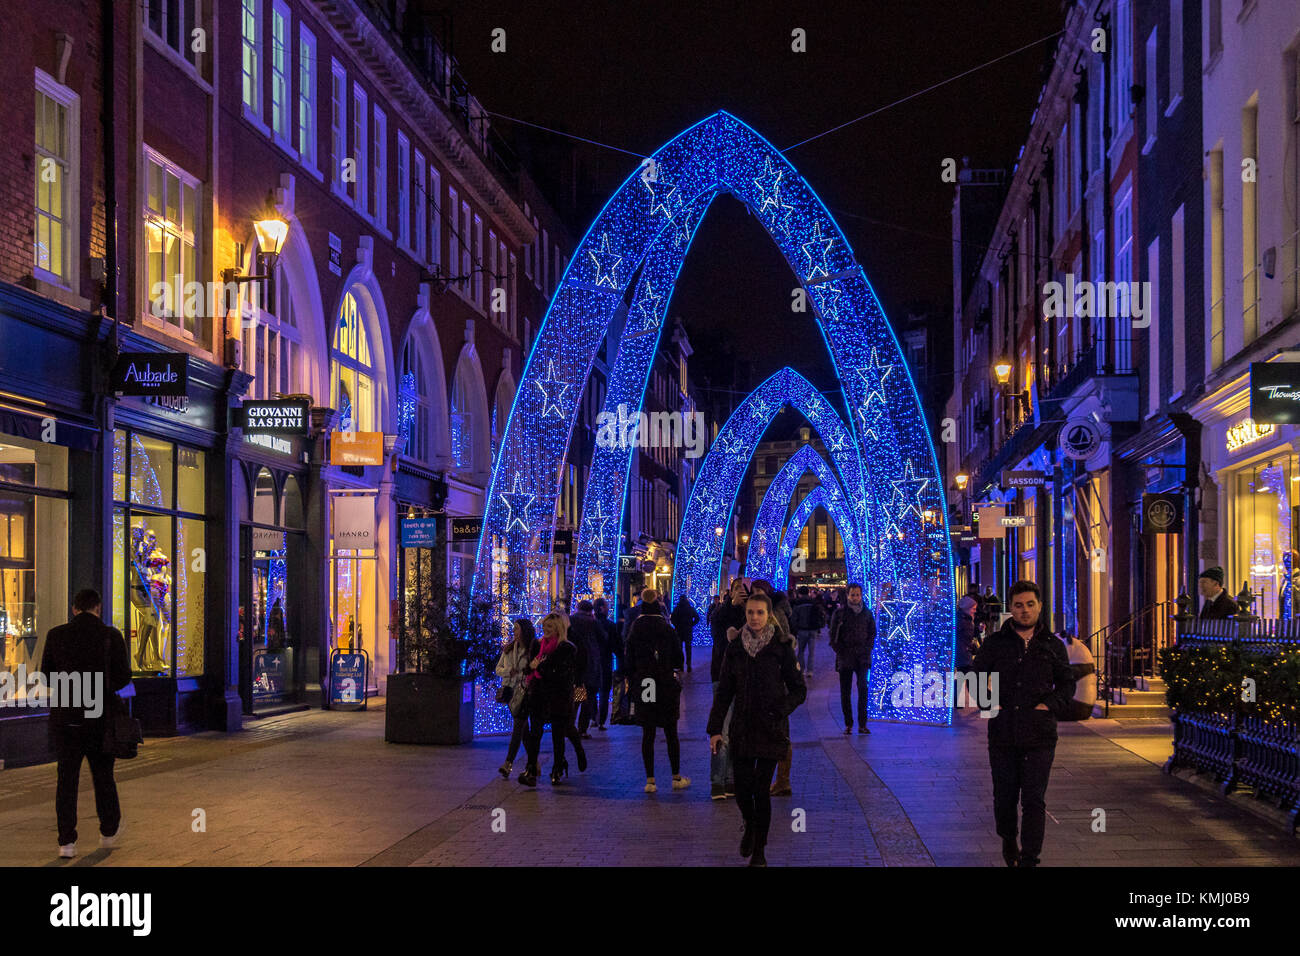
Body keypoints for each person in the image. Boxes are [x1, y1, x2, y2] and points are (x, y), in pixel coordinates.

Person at [972, 580, 1076, 867]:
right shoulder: (995, 644)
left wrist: (1048, 706)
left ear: (1040, 606)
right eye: (1019, 605)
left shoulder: (1052, 645)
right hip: (1004, 733)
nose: (1025, 610)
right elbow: (973, 677)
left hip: (1039, 734)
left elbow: (1067, 684)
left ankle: (1030, 857)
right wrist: (992, 705)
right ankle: (1008, 838)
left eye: (1030, 604)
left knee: (1033, 799)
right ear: (1011, 608)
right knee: (1005, 797)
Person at [709, 589, 807, 867]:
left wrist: (780, 709)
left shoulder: (780, 648)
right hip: (742, 726)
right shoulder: (736, 647)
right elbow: (725, 691)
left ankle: (760, 851)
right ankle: (749, 825)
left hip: (769, 729)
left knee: (761, 790)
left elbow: (799, 690)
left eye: (760, 612)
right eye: (750, 612)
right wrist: (715, 729)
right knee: (741, 789)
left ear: (769, 616)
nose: (754, 617)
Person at [40, 589, 131, 858]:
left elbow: (46, 675)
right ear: (98, 608)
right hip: (100, 717)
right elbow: (123, 676)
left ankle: (66, 842)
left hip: (66, 717)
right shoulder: (111, 636)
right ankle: (108, 831)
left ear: (74, 609)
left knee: (66, 780)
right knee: (103, 776)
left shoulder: (56, 635)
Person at [626, 591, 689, 792]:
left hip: (646, 683)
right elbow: (679, 658)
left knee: (648, 732)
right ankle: (676, 777)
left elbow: (628, 659)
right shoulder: (667, 628)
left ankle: (650, 780)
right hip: (665, 683)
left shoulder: (635, 628)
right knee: (671, 731)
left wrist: (633, 676)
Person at [522, 612, 588, 786]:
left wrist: (540, 667)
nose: (545, 630)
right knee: (535, 733)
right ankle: (531, 769)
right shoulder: (536, 645)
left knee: (560, 733)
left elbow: (560, 673)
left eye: (549, 627)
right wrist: (531, 667)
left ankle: (558, 767)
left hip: (560, 696)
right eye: (544, 627)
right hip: (538, 695)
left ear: (558, 628)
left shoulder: (567, 648)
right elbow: (529, 669)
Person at [709, 578, 749, 799]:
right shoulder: (720, 613)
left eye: (744, 591)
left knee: (738, 731)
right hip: (722, 677)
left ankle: (732, 779)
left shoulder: (752, 614)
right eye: (736, 589)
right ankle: (717, 782)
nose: (740, 594)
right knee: (721, 730)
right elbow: (718, 636)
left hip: (745, 679)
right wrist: (731, 606)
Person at [829, 582, 876, 734]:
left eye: (858, 595)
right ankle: (848, 723)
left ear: (861, 595)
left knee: (863, 688)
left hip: (862, 657)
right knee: (845, 691)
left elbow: (872, 633)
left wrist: (867, 648)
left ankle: (862, 723)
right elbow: (833, 635)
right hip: (846, 656)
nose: (855, 598)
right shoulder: (840, 613)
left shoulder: (867, 613)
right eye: (852, 594)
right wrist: (840, 651)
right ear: (848, 595)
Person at [495, 618, 537, 779]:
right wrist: (508, 671)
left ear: (524, 631)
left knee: (518, 728)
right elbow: (498, 669)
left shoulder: (532, 649)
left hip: (525, 692)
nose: (514, 632)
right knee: (524, 732)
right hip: (511, 692)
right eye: (514, 629)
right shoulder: (509, 649)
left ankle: (508, 763)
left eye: (517, 629)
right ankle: (534, 764)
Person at [567, 600, 604, 737]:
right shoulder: (593, 622)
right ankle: (582, 729)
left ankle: (570, 726)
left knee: (576, 696)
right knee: (588, 698)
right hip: (591, 662)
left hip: (575, 662)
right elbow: (603, 638)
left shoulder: (571, 620)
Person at [592, 598, 618, 730]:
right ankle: (601, 720)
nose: (608, 609)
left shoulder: (589, 624)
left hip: (590, 662)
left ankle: (592, 717)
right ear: (602, 608)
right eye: (607, 606)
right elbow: (615, 645)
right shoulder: (610, 625)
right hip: (605, 661)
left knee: (590, 691)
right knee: (604, 691)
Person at [789, 586, 825, 678]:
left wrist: (795, 629)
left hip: (802, 630)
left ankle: (801, 670)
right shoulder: (813, 603)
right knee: (811, 652)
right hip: (813, 630)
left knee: (801, 651)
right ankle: (810, 671)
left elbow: (793, 619)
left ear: (800, 594)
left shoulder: (797, 604)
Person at [955, 595, 980, 711]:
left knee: (962, 675)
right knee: (970, 675)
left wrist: (977, 630)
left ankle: (957, 702)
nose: (975, 610)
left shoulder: (967, 618)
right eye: (973, 608)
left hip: (964, 651)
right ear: (966, 608)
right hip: (962, 652)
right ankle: (982, 699)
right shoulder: (961, 620)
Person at [670, 594, 700, 673]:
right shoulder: (690, 608)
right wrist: (691, 624)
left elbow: (672, 619)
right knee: (688, 649)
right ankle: (689, 665)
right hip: (688, 631)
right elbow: (697, 618)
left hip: (679, 631)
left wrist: (676, 625)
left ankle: (681, 665)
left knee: (679, 649)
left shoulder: (677, 608)